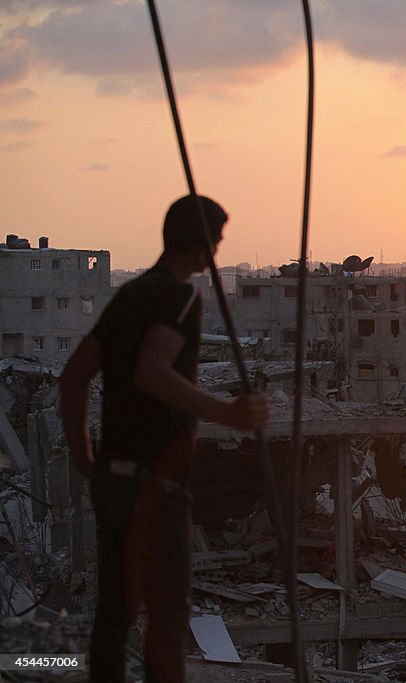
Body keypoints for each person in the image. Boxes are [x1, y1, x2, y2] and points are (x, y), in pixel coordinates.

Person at [60, 195, 269, 682]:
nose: (217, 253)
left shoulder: (130, 295)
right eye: (215, 242)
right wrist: (229, 413)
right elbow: (151, 372)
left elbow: (73, 378)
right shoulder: (183, 297)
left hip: (113, 480)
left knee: (114, 619)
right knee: (168, 625)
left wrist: (83, 453)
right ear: (200, 247)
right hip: (156, 486)